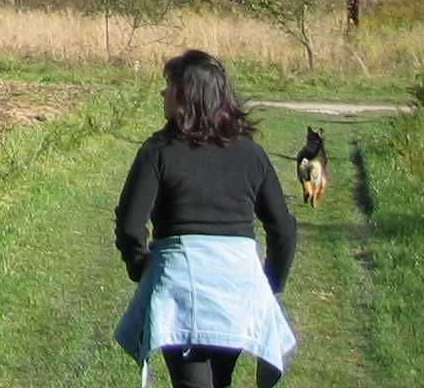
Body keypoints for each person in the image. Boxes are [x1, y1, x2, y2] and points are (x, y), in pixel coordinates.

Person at [113, 49, 298, 387]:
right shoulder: (251, 154)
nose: (163, 93)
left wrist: (141, 267)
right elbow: (283, 228)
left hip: (181, 286)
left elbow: (129, 224)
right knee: (220, 379)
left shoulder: (158, 151)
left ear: (187, 96)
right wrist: (269, 284)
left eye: (169, 86)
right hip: (237, 286)